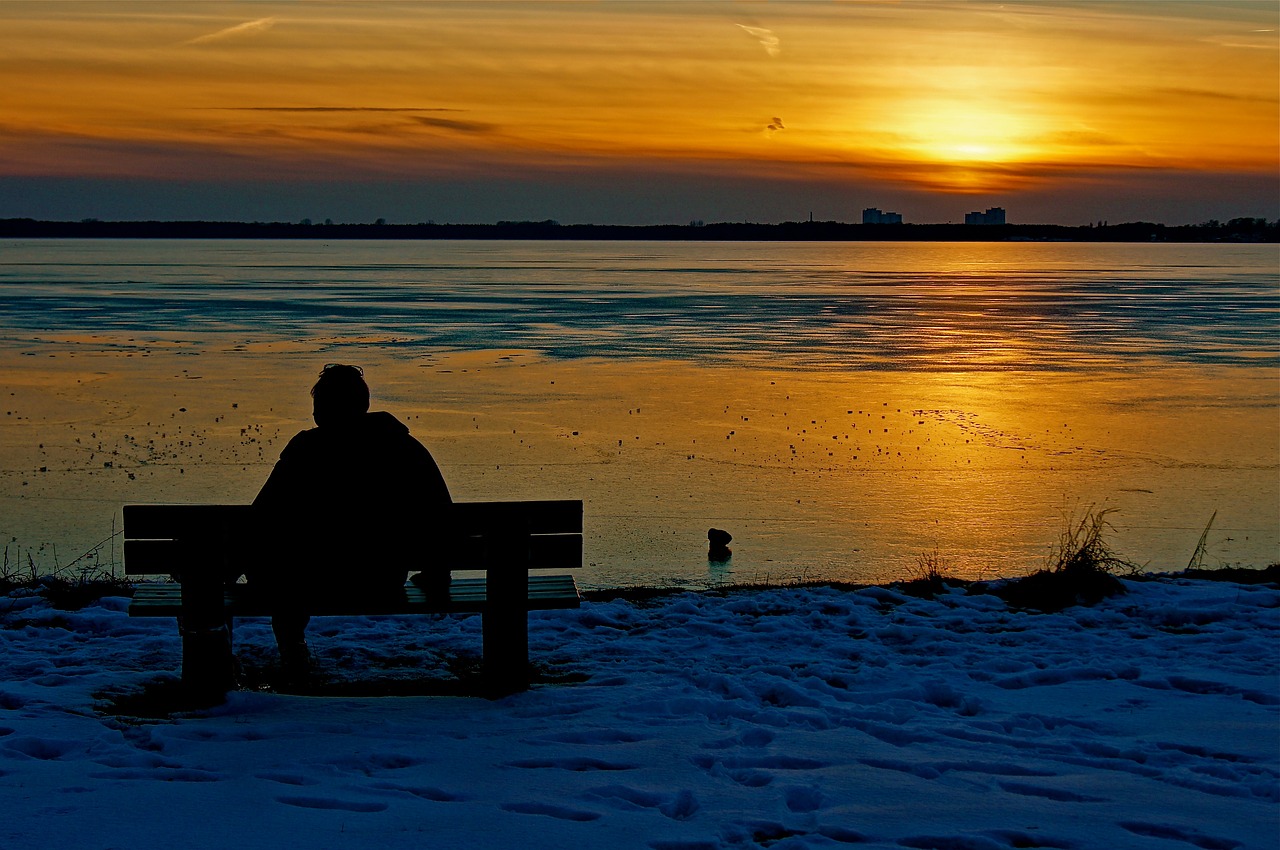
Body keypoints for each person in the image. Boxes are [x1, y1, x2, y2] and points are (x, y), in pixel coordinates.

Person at [250, 364, 452, 670]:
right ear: (364, 405)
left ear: (321, 411)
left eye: (318, 408)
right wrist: (437, 575)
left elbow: (260, 517)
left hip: (309, 580)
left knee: (282, 559)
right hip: (380, 579)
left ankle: (293, 650)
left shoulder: (305, 450)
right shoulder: (403, 447)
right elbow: (440, 513)